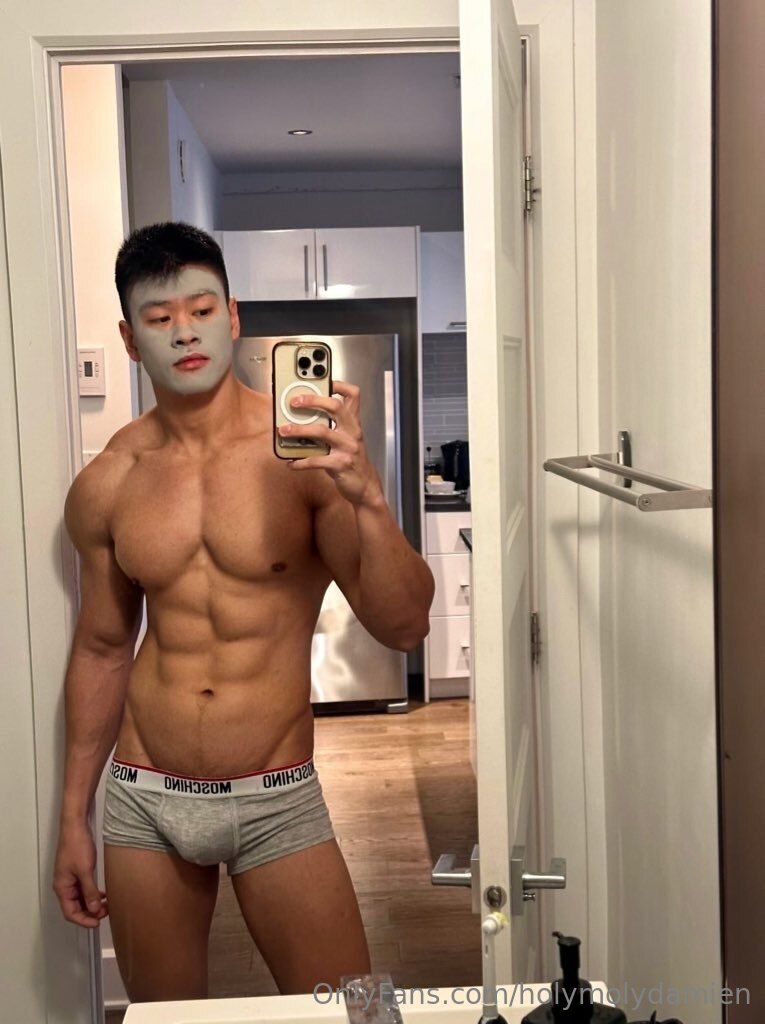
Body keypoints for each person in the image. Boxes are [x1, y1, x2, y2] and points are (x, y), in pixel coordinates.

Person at [52, 221, 434, 1003]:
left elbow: (404, 626)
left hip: (277, 797)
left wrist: (367, 496)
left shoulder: (305, 462)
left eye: (201, 309)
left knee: (361, 1014)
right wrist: (71, 818)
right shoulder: (110, 480)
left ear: (232, 317)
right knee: (166, 1021)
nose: (184, 331)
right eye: (159, 318)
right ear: (129, 340)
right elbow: (101, 649)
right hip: (144, 798)